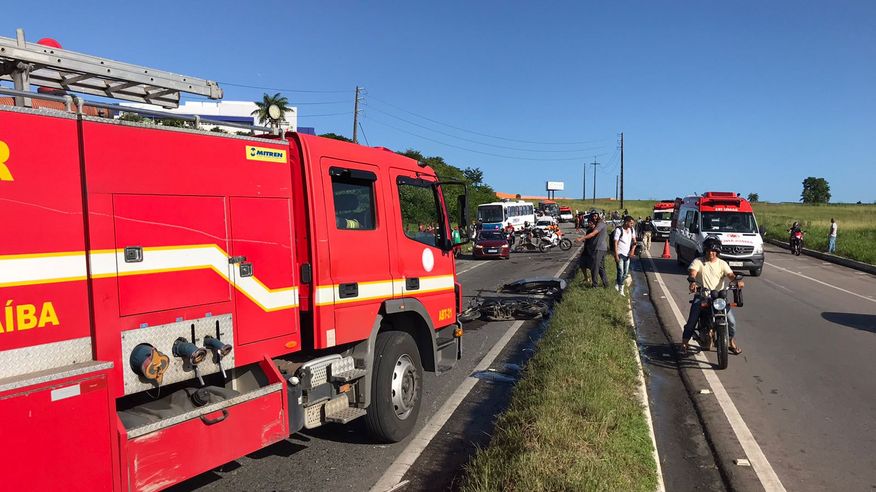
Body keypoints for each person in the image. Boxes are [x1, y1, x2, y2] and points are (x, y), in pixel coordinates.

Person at [682, 237, 744, 354]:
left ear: (718, 252)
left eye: (714, 251)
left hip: (719, 298)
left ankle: (730, 341)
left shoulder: (722, 263)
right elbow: (693, 272)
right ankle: (685, 342)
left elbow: (730, 275)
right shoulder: (699, 261)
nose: (711, 253)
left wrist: (737, 281)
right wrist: (693, 282)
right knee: (692, 320)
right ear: (705, 250)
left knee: (731, 321)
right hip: (702, 296)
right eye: (709, 250)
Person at [576, 213, 609, 288]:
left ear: (599, 216)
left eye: (596, 216)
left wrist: (581, 238)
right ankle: (606, 284)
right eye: (593, 216)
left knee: (595, 267)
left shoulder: (601, 224)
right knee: (600, 267)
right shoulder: (598, 225)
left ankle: (595, 286)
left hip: (599, 249)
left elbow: (593, 234)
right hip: (600, 248)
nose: (594, 218)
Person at [613, 216, 637, 296]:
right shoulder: (619, 230)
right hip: (620, 253)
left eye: (633, 223)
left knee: (626, 273)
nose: (632, 225)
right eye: (631, 223)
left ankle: (617, 282)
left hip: (627, 254)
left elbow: (634, 241)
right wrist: (616, 255)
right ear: (626, 222)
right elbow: (615, 243)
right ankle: (621, 289)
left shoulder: (632, 230)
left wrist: (632, 250)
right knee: (621, 271)